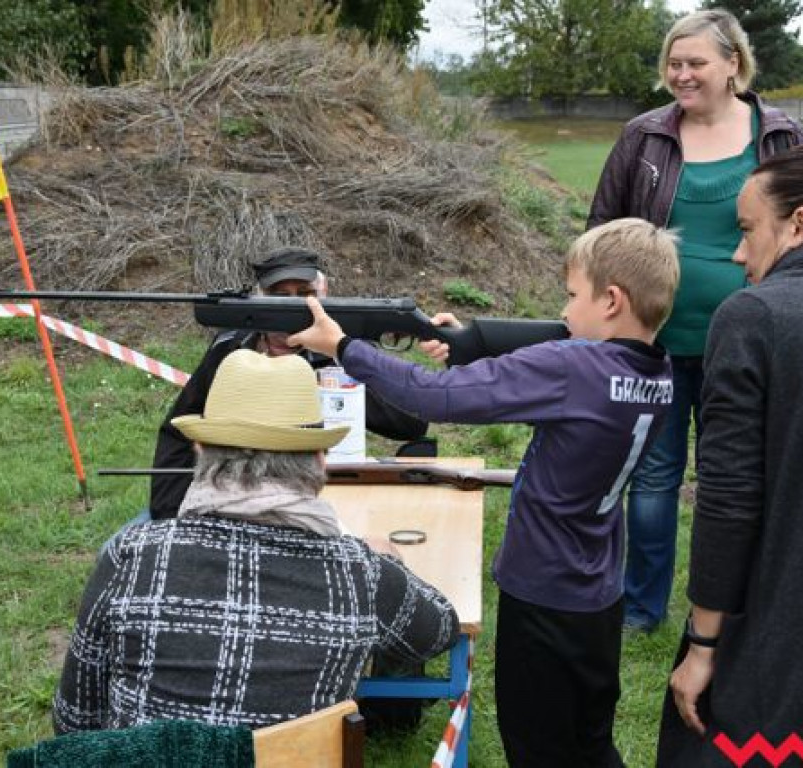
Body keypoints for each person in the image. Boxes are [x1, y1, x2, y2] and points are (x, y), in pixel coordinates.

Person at [291, 218, 680, 767]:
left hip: (542, 593)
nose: (564, 312)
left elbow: (435, 398)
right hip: (598, 592)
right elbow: (566, 365)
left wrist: (345, 347)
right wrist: (470, 344)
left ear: (612, 300)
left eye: (571, 296)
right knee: (588, 742)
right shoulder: (658, 372)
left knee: (536, 746)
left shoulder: (572, 368)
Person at [53, 349, 459, 733]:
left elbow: (73, 722)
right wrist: (390, 562)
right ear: (320, 460)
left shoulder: (132, 554)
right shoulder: (362, 572)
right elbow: (439, 631)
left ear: (198, 451)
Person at [588, 9, 803, 633]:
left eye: (696, 63)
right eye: (673, 64)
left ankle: (731, 608)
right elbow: (603, 227)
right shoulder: (644, 137)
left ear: (734, 63)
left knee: (732, 476)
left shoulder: (783, 136)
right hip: (655, 338)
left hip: (754, 342)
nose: (681, 75)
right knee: (654, 477)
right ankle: (641, 609)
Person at [656, 145, 803, 765]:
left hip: (781, 647)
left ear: (800, 224)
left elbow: (727, 501)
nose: (739, 254)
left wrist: (702, 646)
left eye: (747, 231)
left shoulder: (756, 317)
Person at [148, 246, 428, 521]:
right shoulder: (232, 348)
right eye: (279, 296)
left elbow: (411, 423)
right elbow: (178, 429)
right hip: (235, 497)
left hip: (324, 498)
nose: (294, 306)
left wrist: (340, 361)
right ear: (258, 299)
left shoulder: (348, 350)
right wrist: (168, 518)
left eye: (306, 295)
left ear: (324, 294)